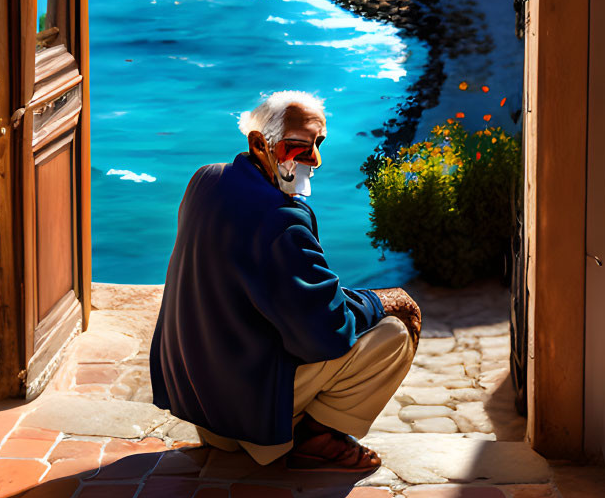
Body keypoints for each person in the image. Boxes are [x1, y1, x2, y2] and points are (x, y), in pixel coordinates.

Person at [149, 90, 422, 470]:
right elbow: (329, 331)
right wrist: (381, 301)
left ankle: (271, 429)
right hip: (246, 412)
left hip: (200, 403)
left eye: (318, 145)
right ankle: (315, 437)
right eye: (299, 146)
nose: (315, 160)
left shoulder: (205, 181)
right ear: (260, 144)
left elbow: (281, 289)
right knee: (393, 333)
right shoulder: (281, 219)